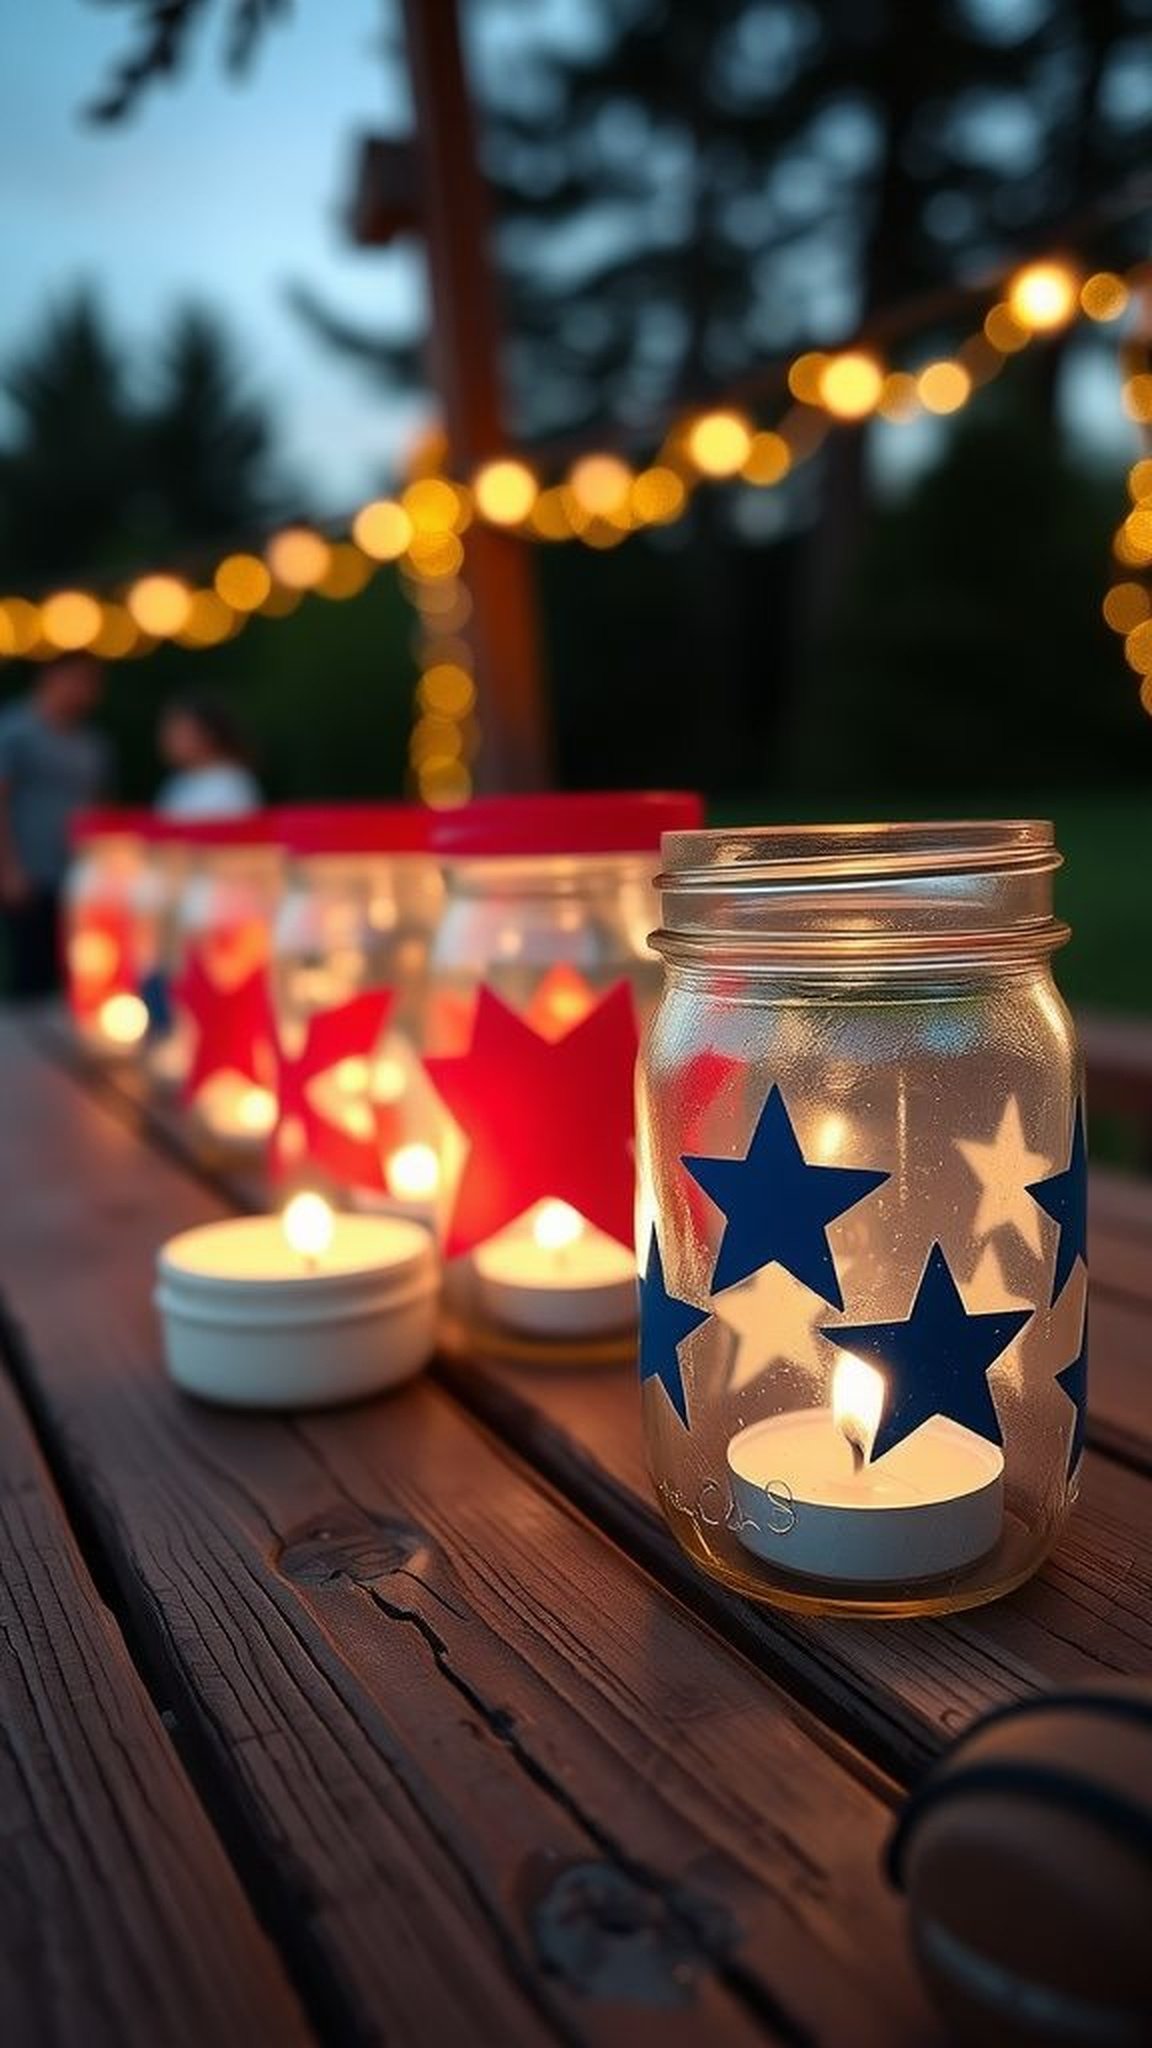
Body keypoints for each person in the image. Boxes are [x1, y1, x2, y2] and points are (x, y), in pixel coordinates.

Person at [0, 655, 110, 999]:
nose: (84, 692)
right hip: (30, 870)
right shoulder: (16, 731)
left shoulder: (92, 743)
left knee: (81, 968)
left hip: (79, 875)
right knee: (31, 971)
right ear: (50, 677)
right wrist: (8, 869)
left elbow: (99, 809)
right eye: (78, 680)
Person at [156, 691, 262, 821]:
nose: (169, 741)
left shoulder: (231, 783)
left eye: (181, 733)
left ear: (208, 734)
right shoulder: (176, 782)